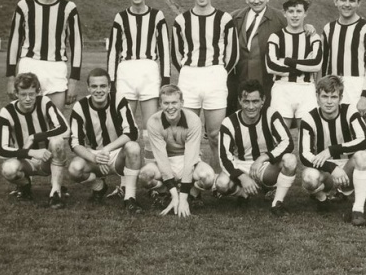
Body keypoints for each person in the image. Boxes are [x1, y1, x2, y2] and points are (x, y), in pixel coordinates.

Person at [171, 0, 238, 171]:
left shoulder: (224, 19)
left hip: (215, 76)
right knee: (187, 132)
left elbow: (233, 53)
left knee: (215, 134)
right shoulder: (181, 20)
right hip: (189, 77)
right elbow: (175, 54)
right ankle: (190, 177)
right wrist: (187, 70)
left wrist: (221, 72)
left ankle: (217, 177)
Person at [106, 0, 171, 163]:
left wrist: (165, 80)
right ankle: (125, 174)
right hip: (126, 71)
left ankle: (152, 171)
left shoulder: (157, 16)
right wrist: (111, 81)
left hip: (149, 70)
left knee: (151, 128)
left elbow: (164, 50)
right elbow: (113, 51)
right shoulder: (121, 17)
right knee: (125, 127)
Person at [6, 0, 83, 110]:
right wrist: (10, 78)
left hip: (56, 68)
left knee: (55, 120)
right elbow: (14, 42)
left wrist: (73, 81)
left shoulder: (69, 8)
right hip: (29, 66)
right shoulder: (24, 6)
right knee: (27, 120)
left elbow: (77, 46)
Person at [214, 79, 298, 215]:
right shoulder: (229, 122)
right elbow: (224, 158)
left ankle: (277, 203)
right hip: (240, 164)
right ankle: (242, 194)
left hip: (264, 166)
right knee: (221, 184)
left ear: (263, 100)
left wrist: (263, 158)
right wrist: (242, 177)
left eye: (255, 101)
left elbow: (287, 142)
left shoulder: (270, 114)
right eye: (246, 101)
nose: (251, 107)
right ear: (239, 101)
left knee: (290, 160)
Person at [299, 75, 366, 226]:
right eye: (324, 96)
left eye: (333, 97)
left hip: (348, 169)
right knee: (308, 176)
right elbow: (304, 155)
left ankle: (358, 210)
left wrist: (332, 150)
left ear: (340, 98)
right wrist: (331, 167)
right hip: (325, 169)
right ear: (317, 97)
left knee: (363, 156)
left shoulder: (349, 111)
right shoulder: (309, 118)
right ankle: (322, 199)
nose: (329, 101)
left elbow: (365, 140)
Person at [66, 68, 143, 213]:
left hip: (116, 154)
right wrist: (95, 158)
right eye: (94, 86)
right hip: (94, 155)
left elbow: (132, 132)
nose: (98, 90)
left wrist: (107, 149)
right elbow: (75, 143)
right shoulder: (80, 106)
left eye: (103, 86)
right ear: (88, 88)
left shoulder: (118, 100)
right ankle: (99, 186)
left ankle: (130, 199)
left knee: (133, 147)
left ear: (109, 87)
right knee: (74, 169)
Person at [139, 85, 215, 218]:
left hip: (188, 159)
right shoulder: (153, 122)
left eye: (174, 102)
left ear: (182, 103)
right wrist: (175, 196)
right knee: (145, 175)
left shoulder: (193, 120)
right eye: (166, 103)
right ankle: (165, 193)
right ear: (160, 104)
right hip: (166, 160)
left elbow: (190, 159)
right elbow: (162, 159)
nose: (170, 107)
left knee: (208, 177)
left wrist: (183, 198)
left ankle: (192, 194)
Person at [0, 72, 69, 209]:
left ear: (38, 92)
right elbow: (0, 150)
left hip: (48, 159)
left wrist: (35, 137)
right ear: (16, 94)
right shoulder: (7, 112)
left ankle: (56, 192)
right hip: (25, 161)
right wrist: (31, 152)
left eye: (31, 94)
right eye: (23, 94)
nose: (28, 99)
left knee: (58, 141)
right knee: (8, 169)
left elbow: (64, 128)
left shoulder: (44, 102)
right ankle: (25, 185)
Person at [226, 0, 287, 115]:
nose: (256, 0)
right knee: (241, 114)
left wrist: (308, 27)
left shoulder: (280, 18)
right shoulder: (235, 17)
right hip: (240, 77)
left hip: (267, 79)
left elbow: (296, 29)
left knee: (265, 115)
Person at [321, 0, 366, 119]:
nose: (347, 4)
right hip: (333, 89)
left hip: (357, 88)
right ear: (335, 1)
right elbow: (324, 63)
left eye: (352, 0)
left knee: (359, 130)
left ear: (359, 3)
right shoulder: (328, 29)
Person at [266, 0, 323, 128]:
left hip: (306, 89)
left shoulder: (313, 37)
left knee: (308, 132)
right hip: (282, 88)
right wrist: (303, 66)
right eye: (291, 11)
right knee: (280, 133)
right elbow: (271, 66)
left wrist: (287, 61)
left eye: (299, 11)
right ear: (284, 13)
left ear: (305, 13)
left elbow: (316, 64)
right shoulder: (275, 37)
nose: (295, 15)